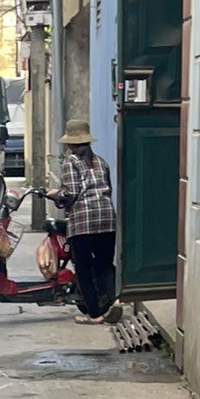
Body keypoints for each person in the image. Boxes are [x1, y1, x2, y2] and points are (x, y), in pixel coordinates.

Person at [57, 125, 118, 323]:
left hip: (83, 222)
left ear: (71, 144)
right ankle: (115, 302)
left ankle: (95, 314)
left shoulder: (70, 161)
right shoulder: (101, 162)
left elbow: (71, 193)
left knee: (83, 269)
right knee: (105, 265)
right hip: (107, 219)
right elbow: (107, 189)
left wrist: (56, 195)